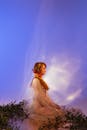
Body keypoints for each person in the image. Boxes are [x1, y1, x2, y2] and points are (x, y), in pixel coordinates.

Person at [22, 62, 65, 130]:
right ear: (39, 69)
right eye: (44, 68)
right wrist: (49, 106)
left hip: (43, 105)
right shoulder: (36, 81)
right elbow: (39, 97)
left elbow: (46, 97)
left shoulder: (41, 80)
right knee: (57, 113)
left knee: (59, 110)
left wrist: (53, 105)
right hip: (38, 107)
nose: (45, 70)